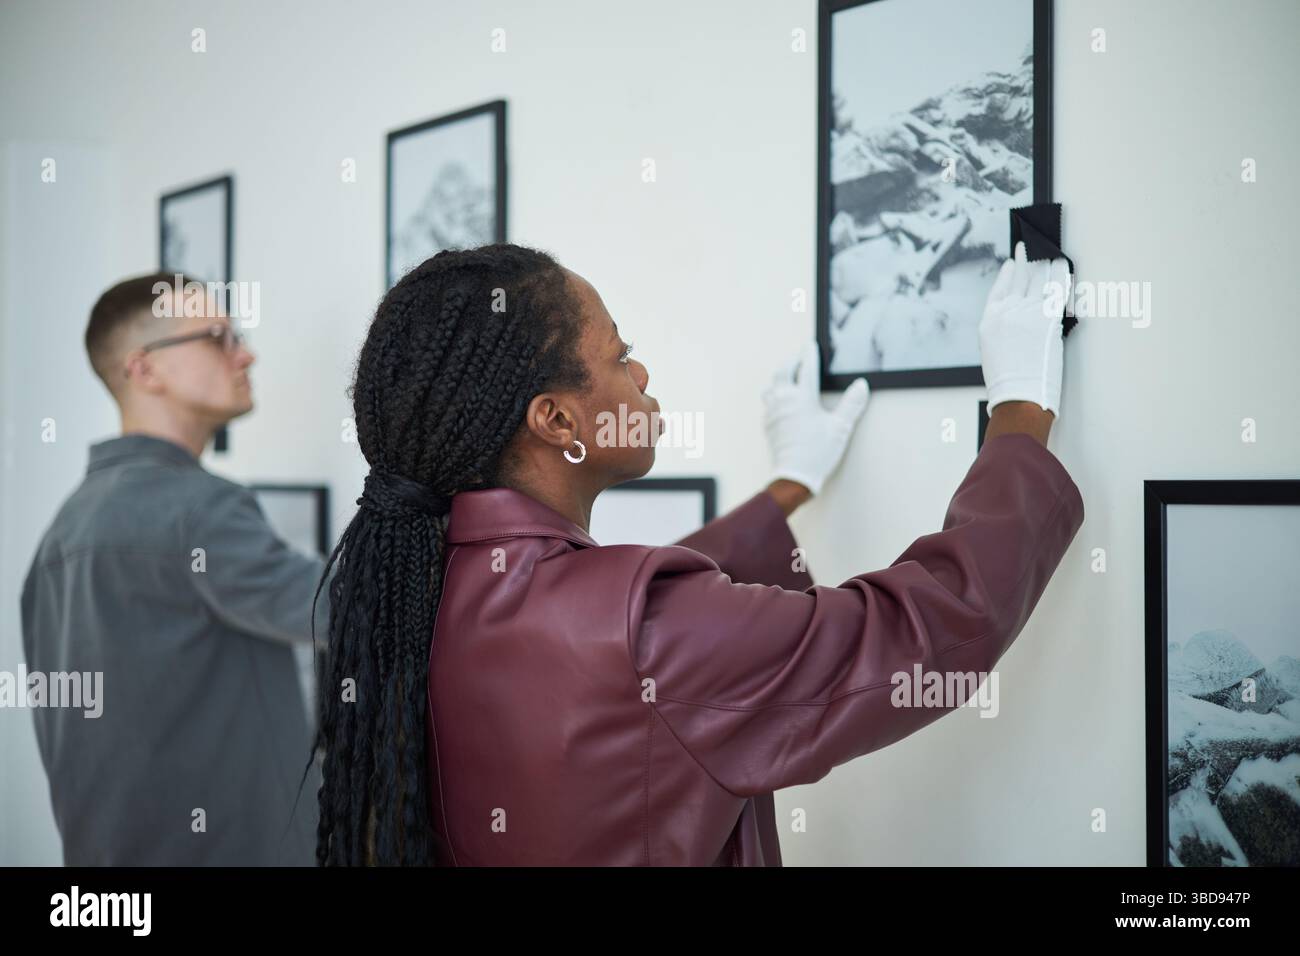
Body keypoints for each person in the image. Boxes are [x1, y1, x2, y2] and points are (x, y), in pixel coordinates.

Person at [314, 241, 1081, 866]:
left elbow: (627, 625)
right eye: (621, 355)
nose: (642, 375)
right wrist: (1019, 409)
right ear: (554, 419)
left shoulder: (416, 586)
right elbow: (924, 628)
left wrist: (789, 488)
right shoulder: (645, 633)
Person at [20, 273, 327, 865]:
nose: (246, 353)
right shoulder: (199, 510)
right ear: (145, 368)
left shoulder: (61, 534)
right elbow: (345, 607)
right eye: (218, 336)